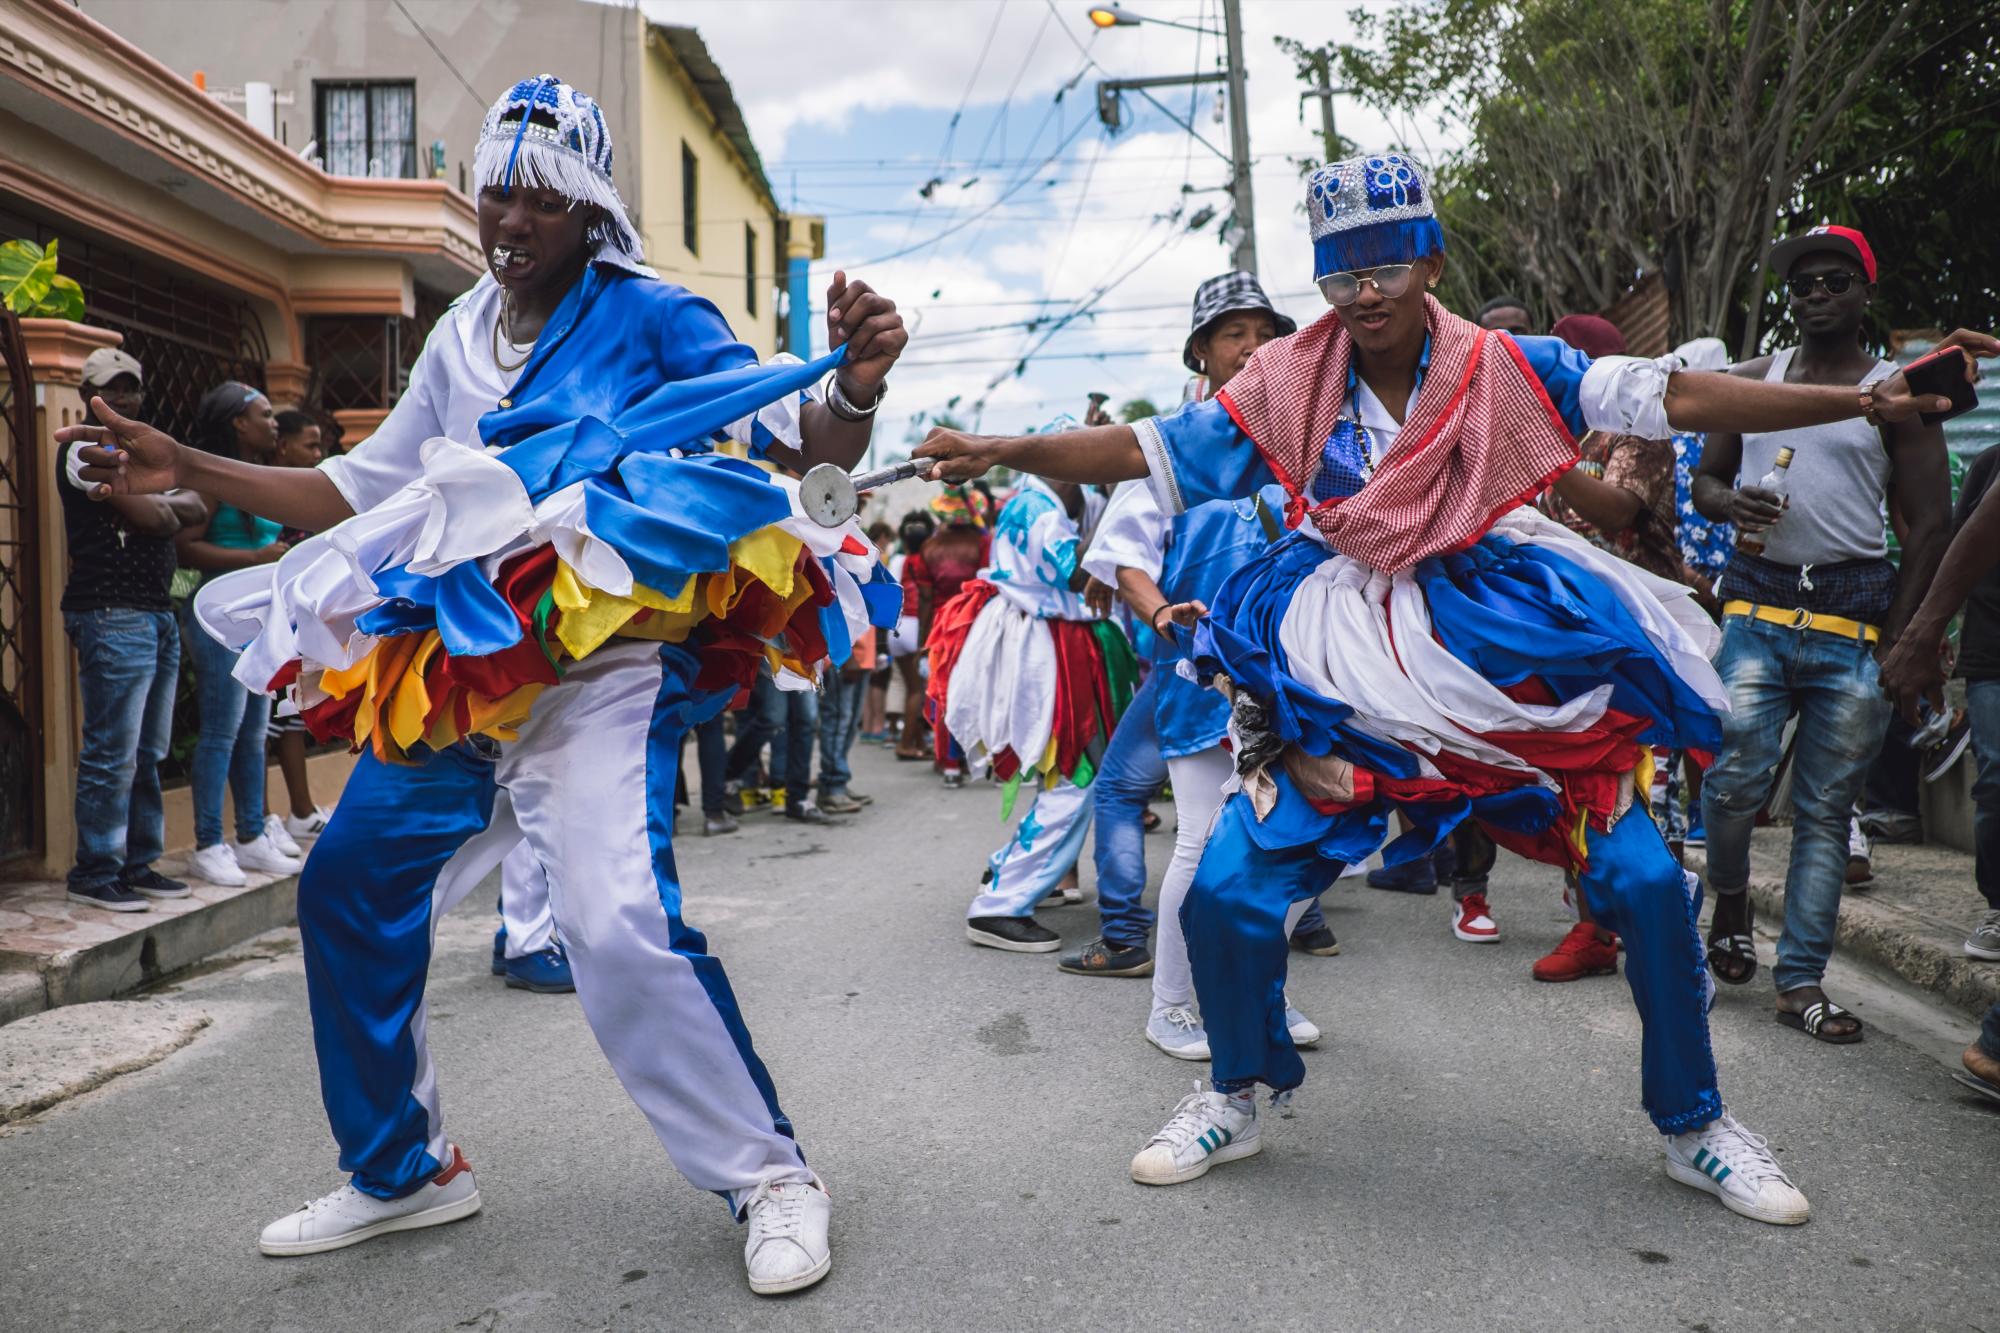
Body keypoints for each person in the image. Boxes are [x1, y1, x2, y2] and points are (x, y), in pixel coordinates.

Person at [915, 150, 1990, 1225]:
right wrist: (1003, 443)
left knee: (1646, 884)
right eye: (1340, 271)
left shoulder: (1504, 363)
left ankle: (1694, 1121)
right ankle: (1232, 1090)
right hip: (1343, 650)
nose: (1364, 289)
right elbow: (1147, 444)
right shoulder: (1285, 378)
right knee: (1227, 887)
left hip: (1506, 640)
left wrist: (1861, 395)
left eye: (1384, 262)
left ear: (1426, 258)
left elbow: (1668, 395)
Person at [65, 74, 907, 1295]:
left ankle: (768, 1175)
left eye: (539, 199)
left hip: (599, 672)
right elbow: (360, 491)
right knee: (348, 889)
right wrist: (182, 456)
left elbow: (794, 440)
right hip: (460, 665)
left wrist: (857, 383)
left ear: (588, 212)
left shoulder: (653, 314)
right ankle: (406, 1172)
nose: (508, 219)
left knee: (614, 920)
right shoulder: (460, 334)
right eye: (495, 193)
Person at [1693, 225, 1955, 1046]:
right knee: (1734, 772)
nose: (1814, 295)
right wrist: (1728, 501)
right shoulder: (1750, 380)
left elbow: (1933, 522)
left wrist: (1904, 636)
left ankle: (1800, 980)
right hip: (1756, 609)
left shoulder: (1895, 392)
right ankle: (1730, 895)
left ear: (1864, 293)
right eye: (1802, 285)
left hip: (1852, 615)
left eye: (1834, 282)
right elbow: (1705, 476)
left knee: (1824, 812)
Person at [927, 420, 1137, 952]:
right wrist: (1127, 493)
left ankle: (1009, 872)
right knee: (1076, 776)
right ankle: (999, 904)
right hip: (1047, 654)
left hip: (1066, 647)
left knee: (1068, 775)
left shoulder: (1075, 498)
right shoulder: (1032, 506)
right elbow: (1077, 572)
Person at [1532, 313, 1684, 982]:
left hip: (1641, 629)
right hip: (1570, 632)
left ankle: (1666, 935)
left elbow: (1617, 511)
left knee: (1648, 780)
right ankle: (1592, 923)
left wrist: (1542, 458)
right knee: (1583, 773)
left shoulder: (1639, 428)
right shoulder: (1553, 430)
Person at [55, 348, 205, 911]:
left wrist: (158, 501)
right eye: (108, 389)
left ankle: (138, 864)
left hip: (153, 612)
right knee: (112, 751)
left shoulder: (140, 454)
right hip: (111, 612)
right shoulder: (82, 450)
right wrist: (161, 503)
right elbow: (163, 516)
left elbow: (193, 510)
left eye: (129, 389)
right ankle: (95, 872)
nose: (120, 399)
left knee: (147, 750)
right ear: (85, 394)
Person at [1877, 423, 2000, 1097]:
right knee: (1995, 795)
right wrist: (1928, 634)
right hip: (1993, 657)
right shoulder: (1985, 465)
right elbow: (1962, 545)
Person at [172, 383, 304, 888]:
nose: (275, 423)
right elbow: (185, 548)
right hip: (215, 616)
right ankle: (208, 843)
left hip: (258, 619)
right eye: (264, 415)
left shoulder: (256, 475)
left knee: (253, 733)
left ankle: (250, 835)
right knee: (222, 731)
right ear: (237, 423)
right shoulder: (210, 478)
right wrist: (255, 559)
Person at [264, 409, 334, 848]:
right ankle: (259, 821)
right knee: (263, 726)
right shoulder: (271, 492)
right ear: (283, 446)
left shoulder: (312, 493)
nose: (318, 454)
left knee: (292, 717)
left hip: (298, 619)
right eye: (309, 445)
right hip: (270, 618)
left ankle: (301, 812)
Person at [904, 485, 990, 782]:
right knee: (978, 691)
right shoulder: (983, 542)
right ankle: (973, 758)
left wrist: (922, 644)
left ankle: (950, 761)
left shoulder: (929, 547)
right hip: (976, 624)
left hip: (941, 628)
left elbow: (926, 600)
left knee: (945, 693)